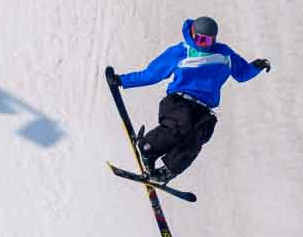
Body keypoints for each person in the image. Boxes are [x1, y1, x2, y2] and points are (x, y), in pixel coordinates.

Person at [109, 17, 270, 183]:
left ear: (214, 38)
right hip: (179, 102)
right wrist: (122, 80)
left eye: (207, 40)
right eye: (198, 38)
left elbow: (242, 73)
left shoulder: (224, 54)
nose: (202, 43)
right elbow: (152, 74)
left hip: (203, 108)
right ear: (192, 34)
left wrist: (256, 67)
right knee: (181, 125)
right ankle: (149, 146)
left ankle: (168, 170)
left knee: (201, 133)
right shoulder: (180, 51)